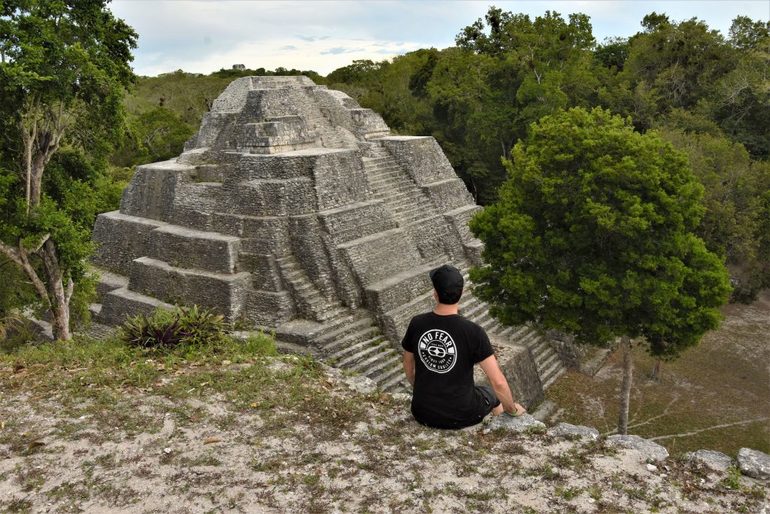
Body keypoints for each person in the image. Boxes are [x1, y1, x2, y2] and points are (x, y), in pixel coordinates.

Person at [401, 264, 526, 429]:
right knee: (492, 397)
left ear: (435, 294)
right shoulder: (473, 332)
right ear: (461, 293)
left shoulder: (417, 323)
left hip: (421, 411)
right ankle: (501, 430)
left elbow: (408, 365)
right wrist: (513, 409)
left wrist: (421, 391)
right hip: (460, 415)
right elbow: (498, 382)